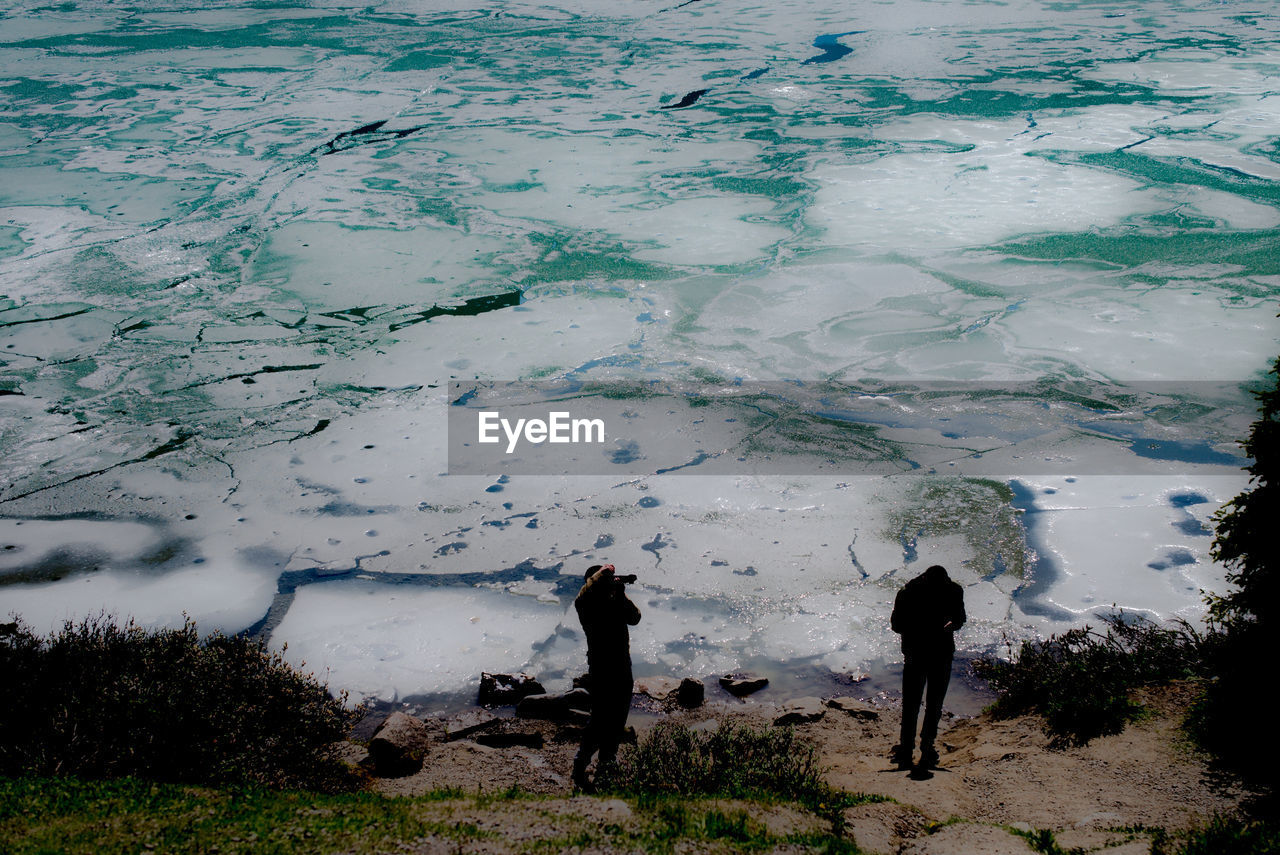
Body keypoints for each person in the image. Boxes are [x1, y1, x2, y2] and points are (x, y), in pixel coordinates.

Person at [572, 563, 641, 791]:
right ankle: (581, 761)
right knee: (601, 718)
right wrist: (604, 572)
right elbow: (588, 590)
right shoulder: (585, 603)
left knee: (617, 717)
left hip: (622, 666)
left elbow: (635, 617)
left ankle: (607, 763)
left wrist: (621, 594)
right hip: (602, 669)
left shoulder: (614, 601)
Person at [890, 564, 965, 770]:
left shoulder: (908, 593)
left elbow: (896, 625)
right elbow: (960, 619)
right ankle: (927, 747)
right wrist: (951, 625)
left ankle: (907, 750)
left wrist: (915, 629)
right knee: (934, 704)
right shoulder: (953, 590)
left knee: (911, 704)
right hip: (941, 654)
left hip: (916, 654)